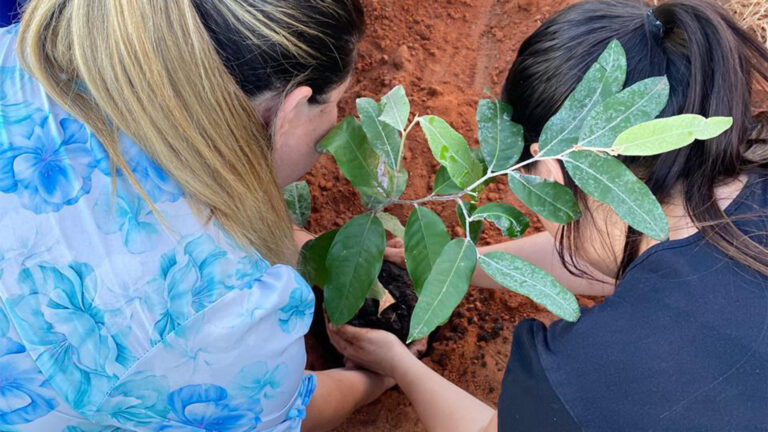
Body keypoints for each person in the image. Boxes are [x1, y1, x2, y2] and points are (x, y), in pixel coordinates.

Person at [329, 0, 768, 430]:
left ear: (552, 176)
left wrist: (398, 366)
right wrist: (459, 265)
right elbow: (603, 250)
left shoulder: (589, 381)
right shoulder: (748, 165)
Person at [0, 1, 395, 431]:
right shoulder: (223, 309)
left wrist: (309, 248)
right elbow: (273, 416)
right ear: (291, 108)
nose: (337, 124)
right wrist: (377, 377)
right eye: (336, 103)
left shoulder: (31, 48)